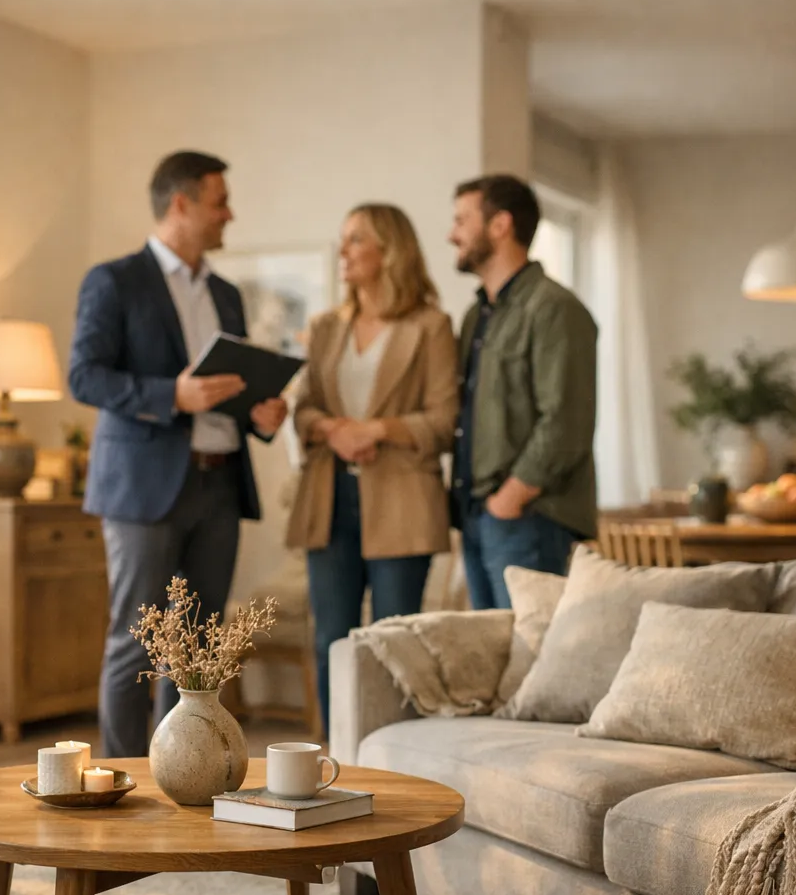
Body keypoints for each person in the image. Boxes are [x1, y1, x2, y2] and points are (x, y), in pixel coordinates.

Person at [68, 150, 289, 758]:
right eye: (221, 202)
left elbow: (228, 388)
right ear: (181, 204)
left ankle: (185, 773)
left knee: (197, 649)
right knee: (136, 643)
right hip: (142, 490)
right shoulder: (114, 281)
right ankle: (122, 780)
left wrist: (261, 414)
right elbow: (84, 376)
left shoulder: (225, 293)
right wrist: (172, 395)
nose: (229, 215)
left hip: (220, 486)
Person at [286, 203, 459, 724]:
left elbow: (444, 419)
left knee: (393, 642)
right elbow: (303, 409)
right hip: (330, 498)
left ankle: (387, 759)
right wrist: (332, 431)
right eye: (344, 239)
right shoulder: (325, 327)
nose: (343, 250)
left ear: (390, 250)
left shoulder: (431, 326)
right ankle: (331, 755)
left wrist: (376, 430)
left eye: (356, 239)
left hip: (402, 503)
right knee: (330, 641)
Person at [447, 174, 598, 610]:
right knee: (491, 648)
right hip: (479, 515)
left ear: (500, 225)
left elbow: (566, 420)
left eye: (461, 220)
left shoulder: (555, 309)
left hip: (529, 517)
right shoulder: (476, 316)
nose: (452, 234)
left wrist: (511, 497)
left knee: (531, 647)